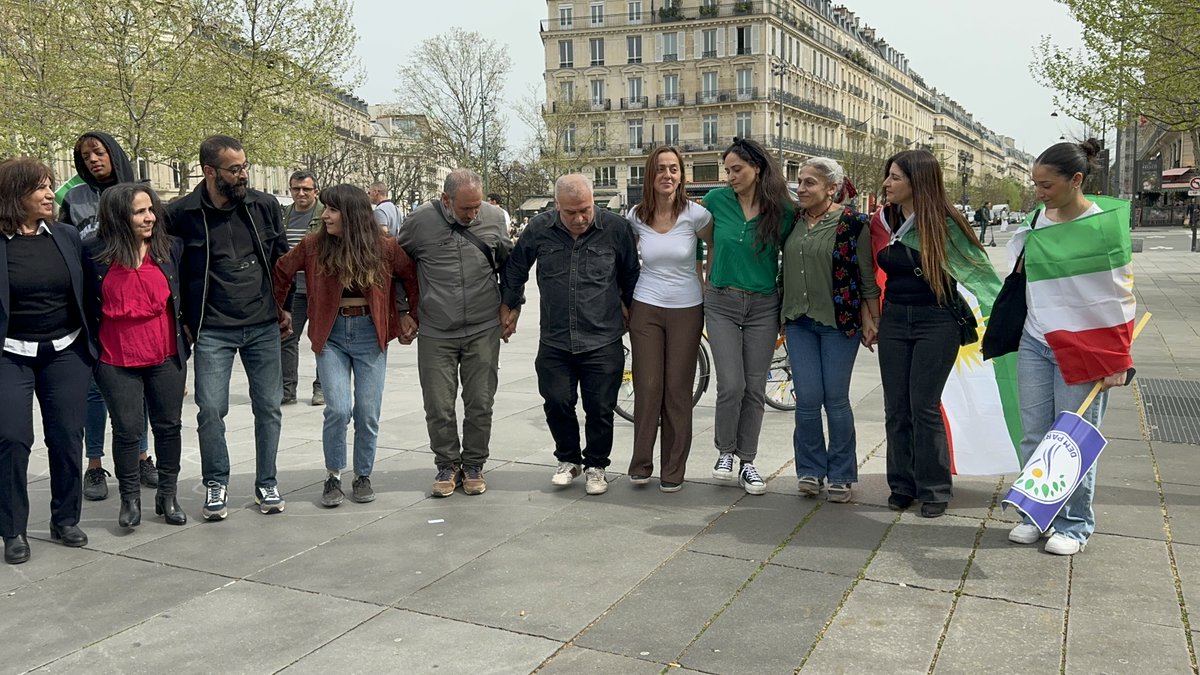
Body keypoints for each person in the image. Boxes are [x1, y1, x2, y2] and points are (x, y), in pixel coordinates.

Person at [1006, 140, 1135, 555]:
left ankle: (1074, 525)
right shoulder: (1036, 219)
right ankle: (1035, 513)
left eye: (1046, 185)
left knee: (1073, 437)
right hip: (1036, 338)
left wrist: (1117, 359)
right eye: (1035, 185)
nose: (1038, 193)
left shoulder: (1102, 227)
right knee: (1034, 435)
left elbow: (1118, 296)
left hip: (1083, 345)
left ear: (1076, 180)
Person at [166, 135, 289, 520]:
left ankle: (266, 481)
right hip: (212, 329)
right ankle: (215, 482)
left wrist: (283, 307)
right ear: (209, 171)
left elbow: (281, 261)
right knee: (211, 409)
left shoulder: (263, 205)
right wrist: (183, 320)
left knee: (269, 407)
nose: (243, 176)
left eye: (244, 167)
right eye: (234, 170)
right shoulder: (180, 213)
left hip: (263, 324)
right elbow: (172, 271)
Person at [274, 185, 419, 507]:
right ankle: (333, 476)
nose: (324, 215)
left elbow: (411, 276)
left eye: (332, 210)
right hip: (331, 334)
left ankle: (363, 475)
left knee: (368, 413)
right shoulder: (313, 245)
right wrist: (279, 309)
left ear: (352, 214)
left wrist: (411, 315)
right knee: (337, 409)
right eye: (325, 209)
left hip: (371, 333)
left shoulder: (384, 247)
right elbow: (281, 271)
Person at [873, 149, 998, 518]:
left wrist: (1008, 318)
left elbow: (981, 275)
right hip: (894, 320)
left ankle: (935, 488)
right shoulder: (885, 219)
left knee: (923, 407)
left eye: (895, 177)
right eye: (888, 176)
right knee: (896, 408)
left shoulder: (944, 224)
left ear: (918, 182)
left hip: (936, 321)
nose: (887, 183)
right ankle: (901, 485)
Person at [500, 174, 639, 495]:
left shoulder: (616, 229)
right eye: (570, 212)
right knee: (557, 401)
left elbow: (631, 273)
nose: (579, 218)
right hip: (556, 337)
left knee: (600, 407)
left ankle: (596, 465)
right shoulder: (539, 229)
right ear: (557, 206)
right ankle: (568, 459)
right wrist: (511, 305)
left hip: (602, 337)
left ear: (594, 203)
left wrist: (630, 306)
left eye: (585, 210)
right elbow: (516, 268)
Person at [0, 158, 95, 564]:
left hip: (65, 353)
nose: (48, 195)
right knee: (12, 439)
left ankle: (65, 519)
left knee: (67, 436)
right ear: (13, 195)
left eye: (50, 185)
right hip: (10, 355)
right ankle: (13, 530)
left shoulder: (66, 235)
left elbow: (88, 289)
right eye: (39, 188)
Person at [83, 184, 189, 528]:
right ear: (118, 216)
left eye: (151, 210)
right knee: (127, 430)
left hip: (165, 355)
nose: (150, 217)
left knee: (168, 427)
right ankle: (130, 500)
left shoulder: (170, 248)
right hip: (115, 358)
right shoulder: (92, 254)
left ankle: (167, 495)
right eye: (140, 211)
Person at [399, 169, 510, 498]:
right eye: (465, 209)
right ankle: (447, 464)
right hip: (436, 330)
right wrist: (403, 310)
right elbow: (396, 268)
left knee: (480, 401)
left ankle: (474, 463)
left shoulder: (493, 218)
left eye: (477, 207)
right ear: (446, 200)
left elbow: (508, 264)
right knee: (438, 404)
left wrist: (511, 305)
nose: (473, 215)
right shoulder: (418, 222)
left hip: (482, 326)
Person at [698, 137, 795, 495]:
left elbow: (793, 252)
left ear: (757, 168)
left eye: (737, 169)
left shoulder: (782, 209)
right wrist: (701, 279)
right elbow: (700, 239)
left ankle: (748, 461)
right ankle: (725, 452)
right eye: (727, 170)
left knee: (754, 387)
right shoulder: (715, 201)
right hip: (721, 301)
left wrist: (786, 298)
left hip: (764, 305)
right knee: (732, 384)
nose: (731, 177)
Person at [59, 131, 152, 501]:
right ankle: (95, 465)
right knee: (95, 390)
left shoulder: (139, 193)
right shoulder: (75, 197)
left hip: (135, 301)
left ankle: (143, 456)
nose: (93, 159)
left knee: (139, 386)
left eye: (99, 152)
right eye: (85, 155)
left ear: (113, 152)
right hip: (93, 303)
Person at [782, 157, 879, 504]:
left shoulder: (854, 223)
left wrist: (872, 317)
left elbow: (866, 275)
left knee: (835, 399)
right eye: (800, 181)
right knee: (807, 400)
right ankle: (809, 470)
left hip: (840, 322)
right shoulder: (793, 220)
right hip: (798, 321)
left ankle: (840, 474)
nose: (801, 188)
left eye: (810, 183)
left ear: (831, 188)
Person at [625, 147, 710, 492]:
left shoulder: (696, 215)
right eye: (660, 169)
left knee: (677, 389)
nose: (667, 175)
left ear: (681, 175)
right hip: (645, 306)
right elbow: (627, 259)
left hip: (687, 308)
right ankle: (641, 463)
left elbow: (716, 247)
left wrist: (707, 282)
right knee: (647, 386)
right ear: (650, 175)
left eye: (673, 169)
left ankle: (673, 469)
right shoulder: (635, 216)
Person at [280, 170, 324, 406]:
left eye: (306, 189)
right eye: (296, 189)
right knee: (287, 337)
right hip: (293, 289)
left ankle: (321, 388)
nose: (301, 193)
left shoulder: (325, 214)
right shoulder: (284, 215)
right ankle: (287, 390)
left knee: (322, 339)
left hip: (318, 288)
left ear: (315, 191)